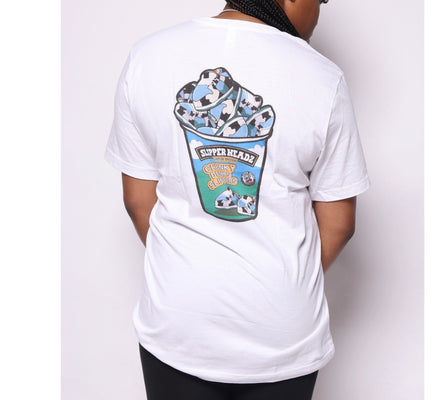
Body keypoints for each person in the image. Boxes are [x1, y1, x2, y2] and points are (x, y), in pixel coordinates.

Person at [104, 0, 370, 399]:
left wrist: (192, 266)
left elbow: (138, 201)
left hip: (177, 324)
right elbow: (339, 224)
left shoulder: (147, 56)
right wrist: (282, 281)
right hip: (282, 334)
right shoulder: (323, 77)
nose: (318, 14)